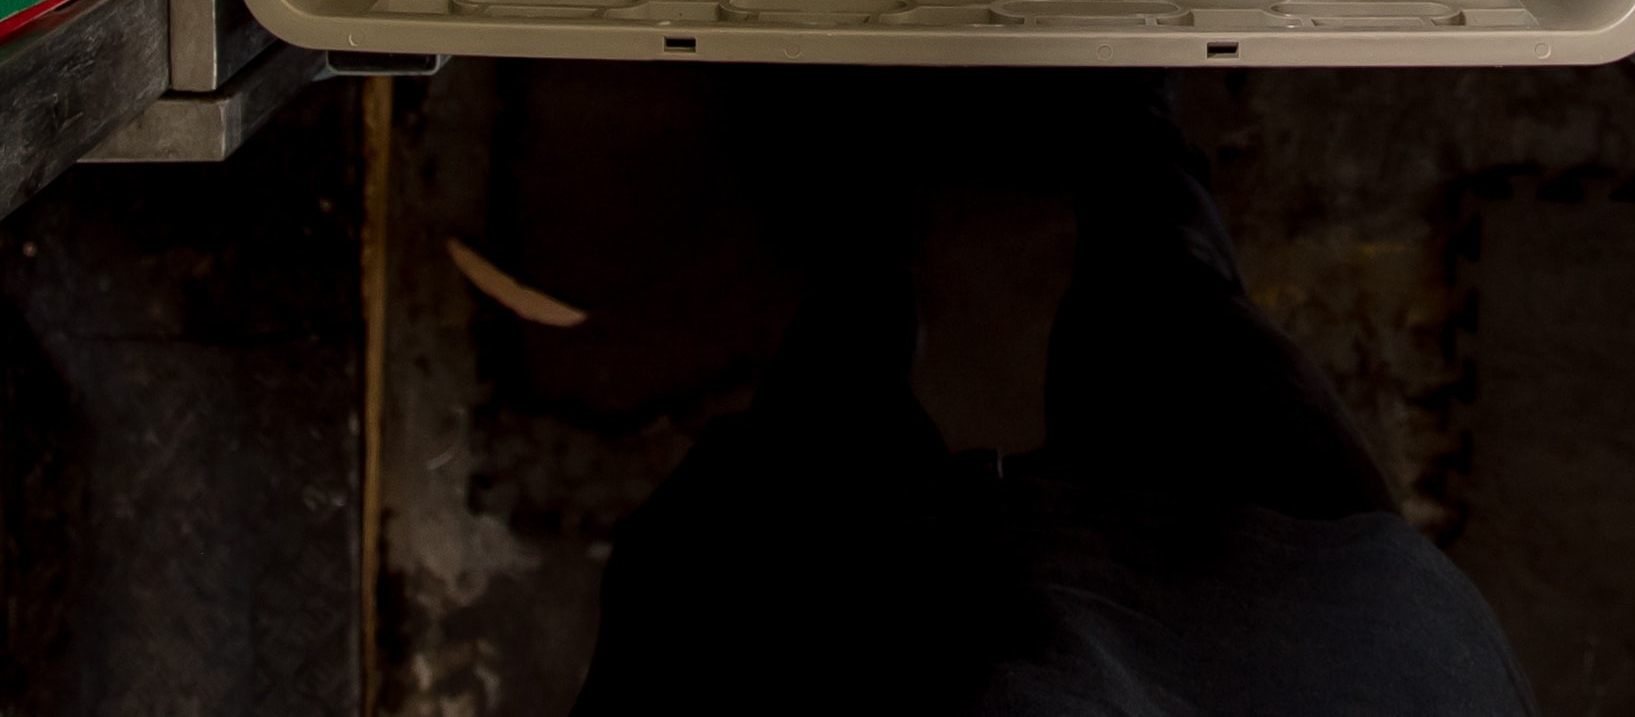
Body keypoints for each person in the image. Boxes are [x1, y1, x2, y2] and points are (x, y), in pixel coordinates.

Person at [577, 72, 1536, 715]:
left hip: (818, 645)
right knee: (1175, 319)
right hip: (1290, 638)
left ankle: (868, 226)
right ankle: (1121, 112)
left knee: (820, 450)